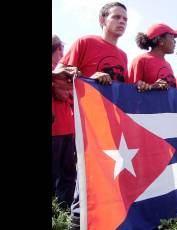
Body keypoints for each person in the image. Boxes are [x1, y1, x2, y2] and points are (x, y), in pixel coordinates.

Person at [55, 2, 129, 229]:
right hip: (88, 127)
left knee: (110, 183)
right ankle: (76, 224)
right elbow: (59, 75)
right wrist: (88, 77)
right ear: (102, 20)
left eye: (125, 19)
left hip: (114, 129)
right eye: (116, 17)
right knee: (87, 183)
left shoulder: (123, 55)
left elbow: (122, 91)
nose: (122, 22)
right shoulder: (85, 43)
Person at [52, 35, 77, 211]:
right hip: (54, 130)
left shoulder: (64, 71)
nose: (62, 52)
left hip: (68, 128)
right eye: (59, 48)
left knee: (68, 174)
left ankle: (64, 210)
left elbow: (71, 97)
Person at [127, 23, 177, 91]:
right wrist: (152, 87)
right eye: (172, 37)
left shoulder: (168, 65)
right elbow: (130, 91)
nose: (175, 41)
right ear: (160, 40)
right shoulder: (141, 60)